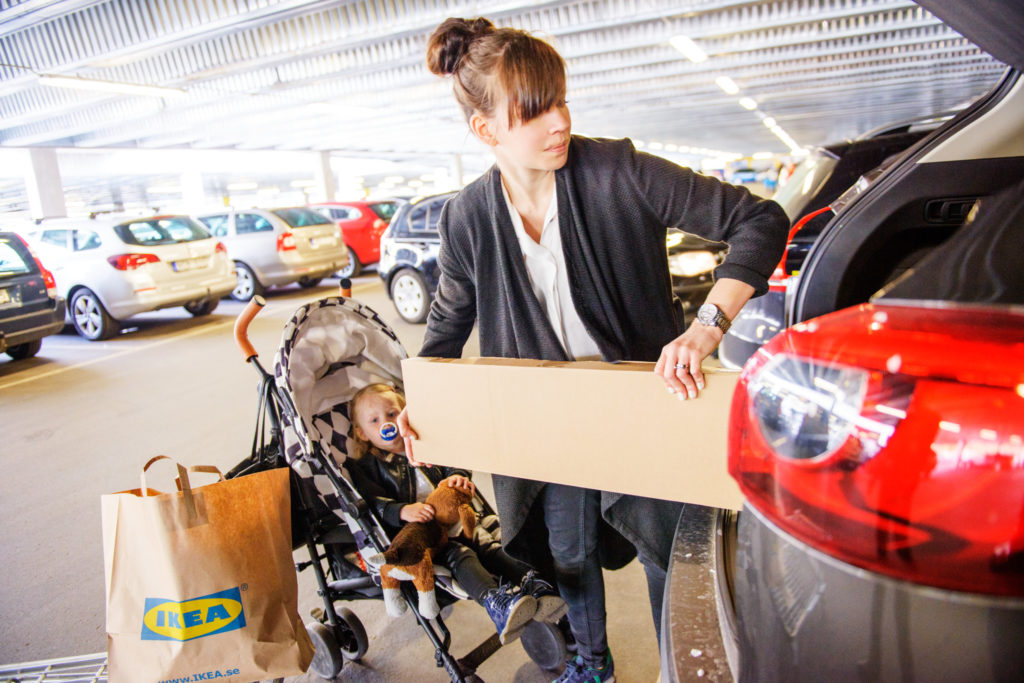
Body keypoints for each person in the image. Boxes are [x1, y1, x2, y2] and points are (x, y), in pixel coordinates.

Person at [398, 17, 789, 682]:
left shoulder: (617, 171)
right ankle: (590, 661)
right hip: (548, 419)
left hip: (647, 406)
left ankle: (678, 666)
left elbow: (759, 219)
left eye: (561, 100)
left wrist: (707, 325)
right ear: (486, 130)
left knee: (673, 551)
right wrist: (425, 407)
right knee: (567, 551)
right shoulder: (467, 218)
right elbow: (446, 326)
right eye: (534, 111)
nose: (559, 122)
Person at [347, 382, 566, 645]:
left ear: (404, 413)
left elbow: (453, 461)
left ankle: (535, 584)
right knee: (462, 555)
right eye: (374, 420)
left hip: (459, 519)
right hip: (426, 539)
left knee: (489, 545)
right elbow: (374, 503)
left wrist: (459, 477)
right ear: (361, 433)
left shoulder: (424, 440)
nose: (387, 423)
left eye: (392, 414)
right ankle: (495, 602)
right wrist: (402, 510)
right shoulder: (367, 468)